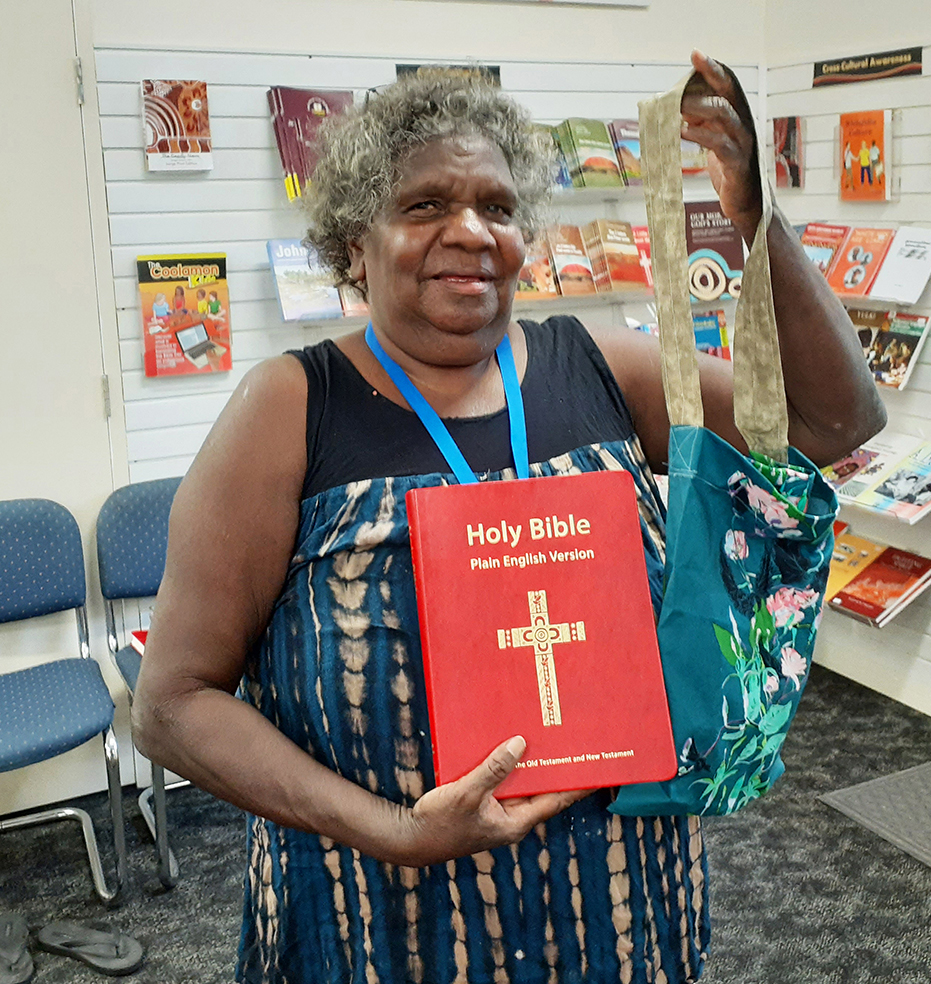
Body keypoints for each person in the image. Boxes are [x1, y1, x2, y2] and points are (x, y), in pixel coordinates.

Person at [133, 51, 885, 984]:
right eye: (423, 206)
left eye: (496, 205)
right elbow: (172, 705)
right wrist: (399, 832)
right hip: (380, 915)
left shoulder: (601, 368)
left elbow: (833, 421)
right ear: (351, 244)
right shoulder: (290, 411)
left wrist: (753, 221)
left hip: (615, 907)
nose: (471, 231)